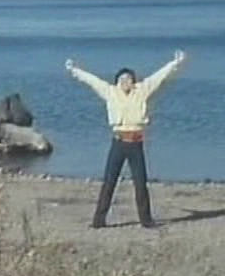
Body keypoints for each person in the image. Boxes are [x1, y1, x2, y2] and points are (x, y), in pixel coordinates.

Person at [65, 50, 186, 228]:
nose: (125, 82)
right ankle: (99, 220)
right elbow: (92, 81)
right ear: (117, 81)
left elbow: (159, 77)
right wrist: (74, 70)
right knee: (109, 181)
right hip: (118, 143)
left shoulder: (142, 91)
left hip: (136, 143)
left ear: (133, 81)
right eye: (122, 79)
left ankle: (146, 220)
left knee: (140, 183)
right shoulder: (110, 92)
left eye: (128, 79)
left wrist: (175, 63)